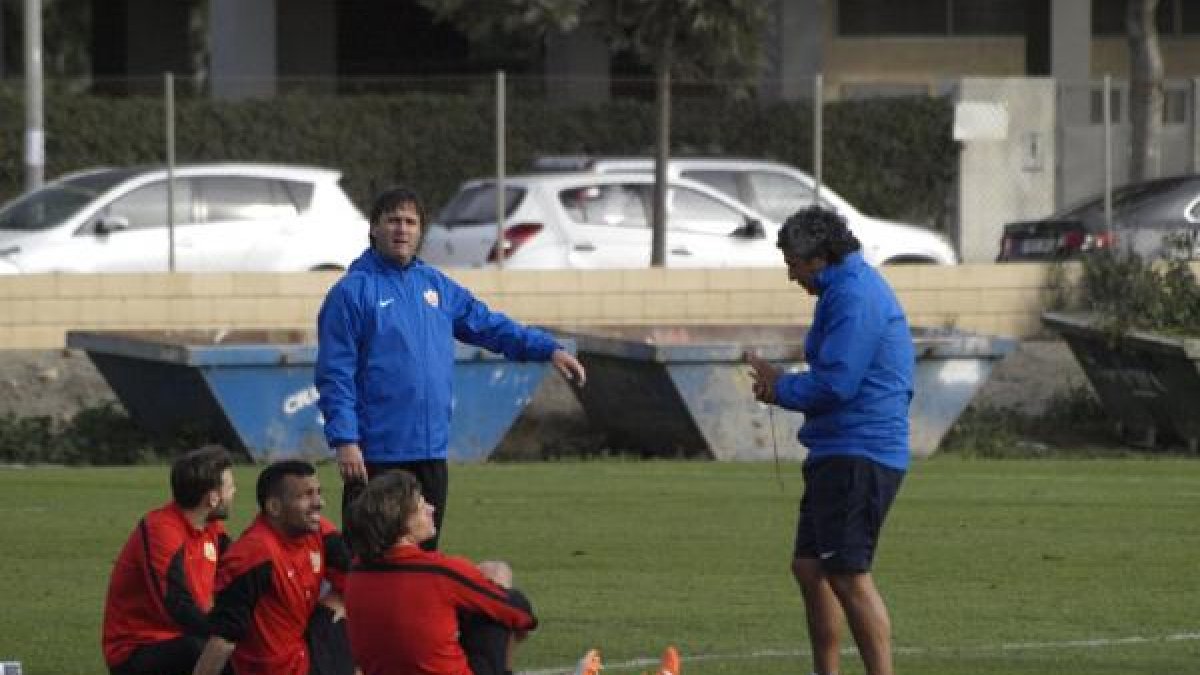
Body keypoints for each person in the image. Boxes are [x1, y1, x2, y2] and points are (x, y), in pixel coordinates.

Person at [315, 186, 587, 549]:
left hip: (430, 451)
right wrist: (346, 441)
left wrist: (546, 348)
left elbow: (488, 325)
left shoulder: (437, 286)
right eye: (393, 220)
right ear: (374, 228)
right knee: (369, 559)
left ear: (420, 231)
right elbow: (335, 375)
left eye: (410, 222)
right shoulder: (351, 293)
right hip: (376, 454)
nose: (402, 229)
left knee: (425, 559)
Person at [747, 206, 913, 675]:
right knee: (809, 567)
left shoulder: (855, 296)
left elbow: (838, 383)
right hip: (837, 447)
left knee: (847, 574)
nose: (791, 275)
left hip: (860, 449)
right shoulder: (840, 290)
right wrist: (780, 383)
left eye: (794, 265)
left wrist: (781, 388)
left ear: (819, 257)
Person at [341, 470, 536, 675]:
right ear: (403, 522)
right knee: (497, 575)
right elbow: (520, 613)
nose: (431, 508)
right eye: (421, 506)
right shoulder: (439, 572)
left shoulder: (356, 572)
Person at [191, 460, 353, 675]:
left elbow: (356, 577)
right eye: (306, 496)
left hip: (305, 652)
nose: (319, 503)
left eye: (318, 493)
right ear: (274, 507)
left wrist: (340, 603)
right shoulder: (253, 554)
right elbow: (224, 637)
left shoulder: (319, 531)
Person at [102, 445, 237, 675]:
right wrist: (225, 632)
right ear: (213, 498)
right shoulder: (161, 530)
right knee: (208, 651)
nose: (235, 492)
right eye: (230, 487)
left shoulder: (211, 528)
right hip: (137, 649)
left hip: (184, 637)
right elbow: (176, 605)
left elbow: (242, 570)